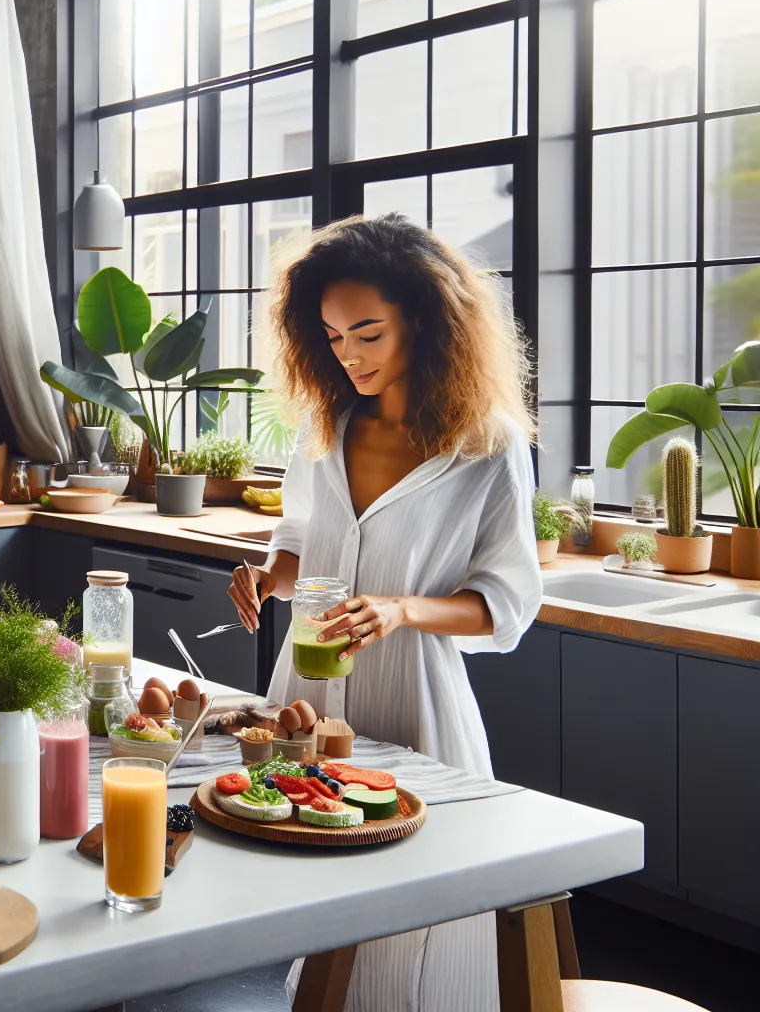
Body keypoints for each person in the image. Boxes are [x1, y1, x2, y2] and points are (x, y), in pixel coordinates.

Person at [228, 213, 542, 1011]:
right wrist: (270, 576)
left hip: (415, 703)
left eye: (367, 333)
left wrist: (401, 611)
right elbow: (304, 544)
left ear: (426, 320)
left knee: (415, 949)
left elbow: (506, 606)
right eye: (332, 337)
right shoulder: (325, 425)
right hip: (306, 695)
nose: (349, 356)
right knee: (310, 925)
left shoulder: (486, 444)